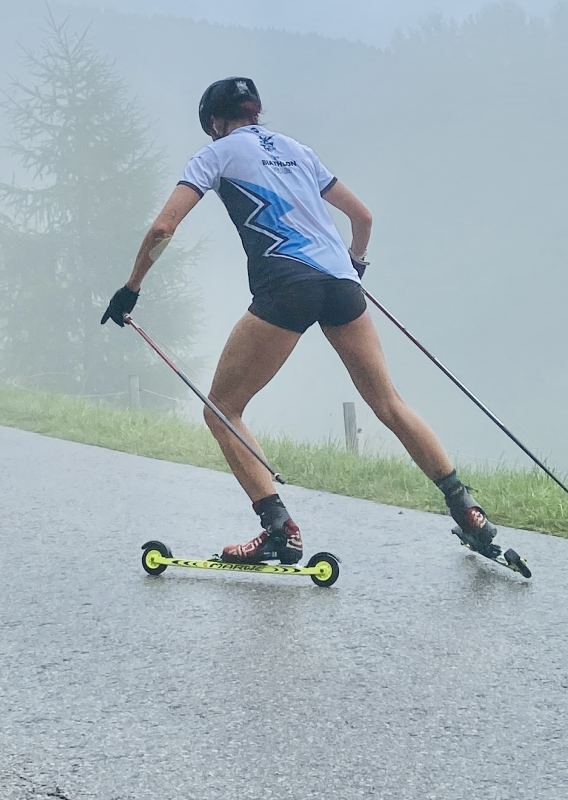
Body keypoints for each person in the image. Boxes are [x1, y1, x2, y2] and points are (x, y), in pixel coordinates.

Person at [102, 77, 497, 564]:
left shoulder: (217, 154)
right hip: (341, 285)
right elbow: (364, 217)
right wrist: (356, 262)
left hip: (286, 286)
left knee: (221, 407)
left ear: (215, 123)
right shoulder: (298, 151)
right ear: (255, 112)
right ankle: (467, 508)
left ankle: (278, 529)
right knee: (390, 404)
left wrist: (132, 287)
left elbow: (164, 226)